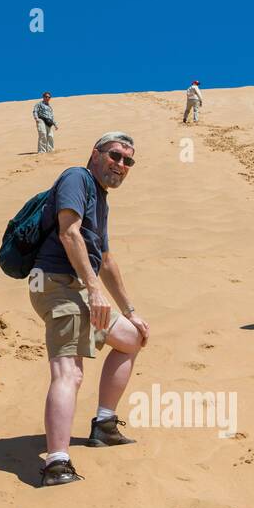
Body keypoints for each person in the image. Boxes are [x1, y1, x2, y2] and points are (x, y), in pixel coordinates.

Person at [30, 134, 150, 487]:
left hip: (79, 287)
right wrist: (95, 290)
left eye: (129, 161)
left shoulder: (100, 198)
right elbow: (69, 233)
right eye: (115, 156)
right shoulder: (76, 178)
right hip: (53, 282)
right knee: (70, 371)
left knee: (131, 339)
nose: (121, 165)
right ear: (95, 154)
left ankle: (104, 424)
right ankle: (56, 462)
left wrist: (130, 310)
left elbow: (107, 260)